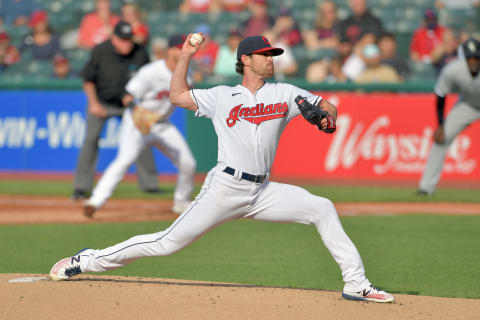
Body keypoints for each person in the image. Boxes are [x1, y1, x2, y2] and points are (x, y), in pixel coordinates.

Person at [50, 34, 395, 304]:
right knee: (166, 243)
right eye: (264, 55)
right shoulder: (222, 96)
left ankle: (357, 284)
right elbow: (177, 96)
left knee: (322, 207)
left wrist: (324, 116)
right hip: (225, 188)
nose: (271, 60)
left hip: (263, 191)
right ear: (245, 60)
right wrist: (185, 55)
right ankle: (88, 259)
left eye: (273, 55)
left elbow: (326, 105)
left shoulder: (286, 92)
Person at [83, 35, 196, 217]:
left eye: (183, 47)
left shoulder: (187, 75)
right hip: (137, 121)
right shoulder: (152, 71)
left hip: (162, 124)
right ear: (169, 51)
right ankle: (95, 201)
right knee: (124, 160)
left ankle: (181, 202)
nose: (181, 51)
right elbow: (127, 94)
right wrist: (136, 111)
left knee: (188, 163)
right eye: (177, 47)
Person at [72, 21, 159, 200]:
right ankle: (81, 187)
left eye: (128, 39)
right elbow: (88, 80)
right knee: (90, 140)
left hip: (131, 104)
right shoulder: (101, 50)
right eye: (122, 39)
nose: (126, 43)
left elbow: (150, 80)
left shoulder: (140, 52)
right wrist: (94, 103)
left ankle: (150, 185)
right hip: (103, 102)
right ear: (114, 38)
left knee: (144, 137)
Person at [418, 38, 480, 195]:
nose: (473, 60)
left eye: (476, 57)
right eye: (469, 57)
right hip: (468, 105)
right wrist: (440, 124)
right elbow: (441, 94)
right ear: (463, 57)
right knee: (441, 138)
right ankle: (426, 187)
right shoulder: (453, 70)